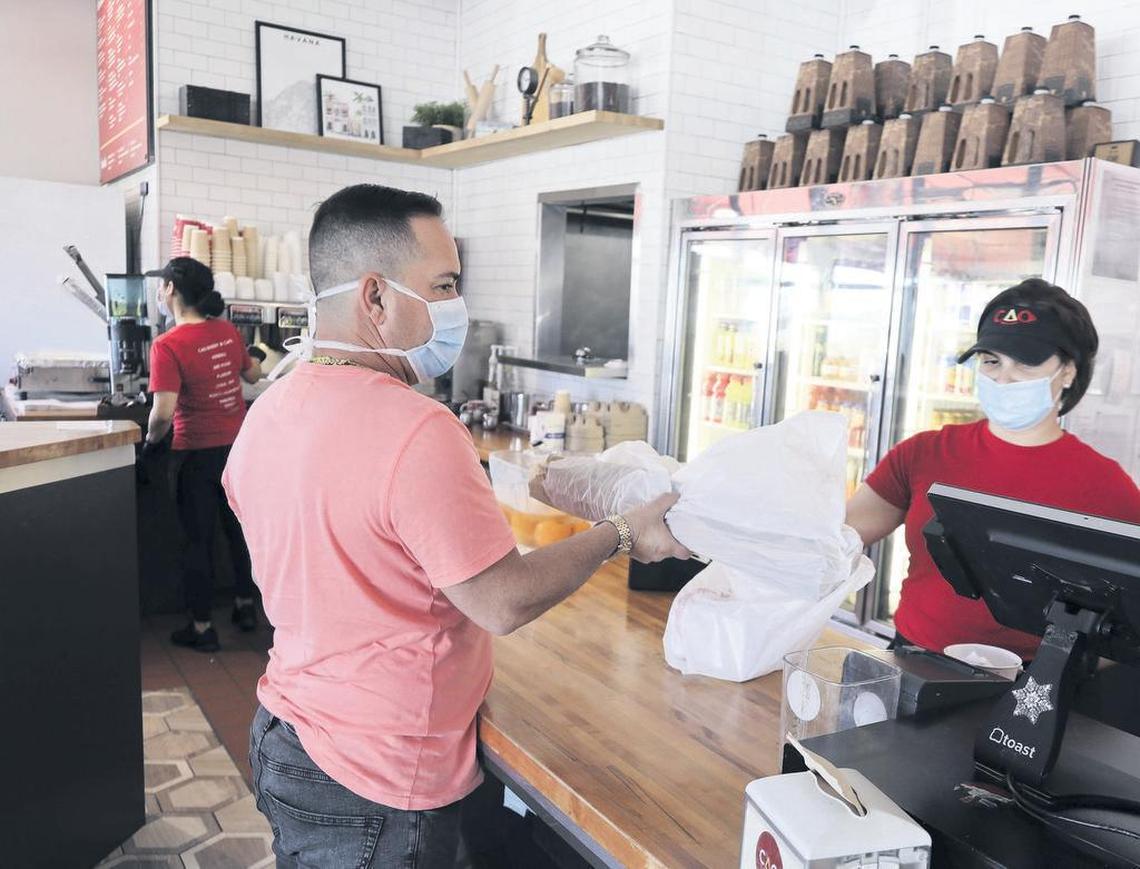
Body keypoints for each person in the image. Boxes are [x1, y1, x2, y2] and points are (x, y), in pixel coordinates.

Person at [223, 184, 688, 868]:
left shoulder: (266, 413)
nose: (455, 309)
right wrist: (622, 530)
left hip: (287, 734)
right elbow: (501, 599)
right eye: (442, 286)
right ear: (374, 297)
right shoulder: (415, 428)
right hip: (378, 777)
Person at [846, 278, 1140, 660]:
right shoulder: (925, 452)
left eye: (1025, 363)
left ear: (1068, 371)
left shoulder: (1106, 486)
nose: (1003, 378)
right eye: (991, 361)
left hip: (1030, 686)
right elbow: (841, 536)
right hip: (913, 662)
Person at [142, 257, 263, 652]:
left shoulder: (168, 345)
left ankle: (201, 626)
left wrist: (148, 444)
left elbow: (162, 414)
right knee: (238, 533)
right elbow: (252, 376)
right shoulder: (227, 331)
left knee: (198, 541)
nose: (160, 293)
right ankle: (246, 608)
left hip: (194, 455)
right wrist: (258, 356)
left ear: (171, 291)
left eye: (162, 286)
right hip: (239, 451)